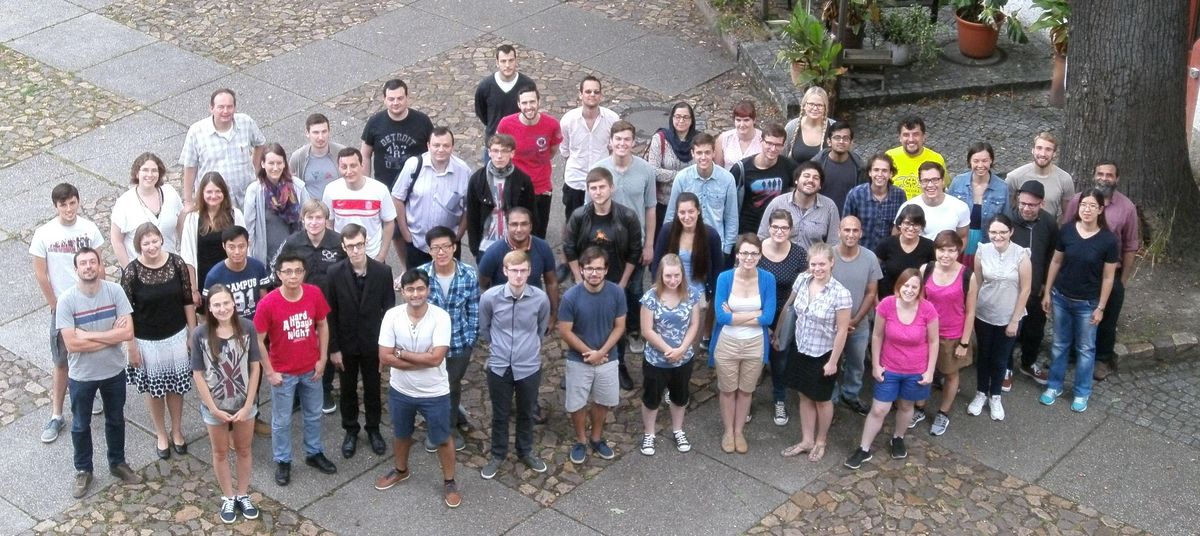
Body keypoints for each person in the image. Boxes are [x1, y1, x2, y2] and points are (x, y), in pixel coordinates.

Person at [55, 248, 141, 498]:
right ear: (76, 269)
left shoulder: (115, 292)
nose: (89, 267)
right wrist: (110, 338)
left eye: (93, 262)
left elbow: (126, 333)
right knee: (81, 425)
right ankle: (83, 470)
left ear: (100, 265)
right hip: (82, 375)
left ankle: (118, 463)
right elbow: (72, 344)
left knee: (116, 419)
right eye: (83, 263)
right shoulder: (67, 300)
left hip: (113, 371)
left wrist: (89, 334)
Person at [374, 269, 461, 508]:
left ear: (428, 290)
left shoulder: (441, 317)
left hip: (435, 392)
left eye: (420, 288)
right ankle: (401, 469)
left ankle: (450, 481)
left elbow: (436, 359)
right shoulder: (392, 316)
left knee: (443, 438)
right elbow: (384, 356)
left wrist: (401, 354)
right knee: (401, 434)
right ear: (402, 292)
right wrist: (419, 360)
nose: (415, 294)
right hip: (401, 391)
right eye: (410, 289)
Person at [254, 251, 336, 486]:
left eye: (298, 271)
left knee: (313, 414)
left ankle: (314, 453)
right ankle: (283, 460)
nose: (293, 276)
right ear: (278, 274)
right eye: (287, 271)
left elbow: (322, 324)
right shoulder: (268, 303)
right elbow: (258, 340)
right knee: (281, 420)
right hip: (284, 372)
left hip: (311, 369)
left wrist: (322, 359)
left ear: (304, 273)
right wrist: (269, 371)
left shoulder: (314, 294)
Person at [31, 183, 105, 444]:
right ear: (56, 206)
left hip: (90, 302)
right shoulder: (44, 234)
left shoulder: (89, 229)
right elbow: (41, 274)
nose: (69, 208)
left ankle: (88, 393)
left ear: (78, 201)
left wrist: (100, 297)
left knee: (92, 351)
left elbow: (99, 265)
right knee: (62, 360)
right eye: (63, 204)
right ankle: (57, 413)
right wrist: (54, 304)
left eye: (72, 202)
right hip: (64, 305)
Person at [844, 269, 939, 470]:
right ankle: (864, 448)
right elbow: (877, 336)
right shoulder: (886, 305)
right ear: (899, 286)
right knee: (879, 409)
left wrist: (930, 371)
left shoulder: (927, 309)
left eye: (914, 286)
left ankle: (898, 437)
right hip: (890, 367)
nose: (909, 290)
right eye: (906, 285)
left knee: (906, 406)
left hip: (915, 369)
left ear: (920, 289)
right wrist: (876, 364)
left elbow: (933, 340)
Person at [121, 223, 197, 460]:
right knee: (155, 391)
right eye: (146, 243)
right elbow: (126, 312)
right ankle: (161, 433)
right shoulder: (132, 272)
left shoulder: (176, 264)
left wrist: (192, 332)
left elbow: (187, 300)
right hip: (147, 341)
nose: (151, 246)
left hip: (175, 335)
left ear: (161, 240)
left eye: (155, 241)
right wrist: (131, 345)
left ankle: (176, 430)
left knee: (176, 386)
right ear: (138, 246)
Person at [1039, 189, 1119, 413]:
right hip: (1061, 298)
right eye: (1084, 204)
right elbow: (1055, 262)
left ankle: (1082, 392)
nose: (1087, 209)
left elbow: (1108, 277)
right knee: (1059, 345)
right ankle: (1054, 386)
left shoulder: (1108, 240)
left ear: (1101, 210)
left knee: (1085, 349)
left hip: (1088, 303)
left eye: (1093, 205)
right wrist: (1048, 292)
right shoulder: (1067, 231)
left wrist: (1101, 307)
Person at [562, 168, 642, 390]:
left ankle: (619, 364)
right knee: (579, 324)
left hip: (615, 280)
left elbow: (635, 251)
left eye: (601, 187)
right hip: (584, 280)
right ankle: (576, 363)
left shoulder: (627, 217)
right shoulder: (579, 216)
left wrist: (623, 282)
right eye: (593, 188)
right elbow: (569, 248)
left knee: (617, 325)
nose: (597, 192)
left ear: (611, 188)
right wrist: (578, 278)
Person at [321, 224, 394, 459]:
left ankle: (373, 429)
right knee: (348, 390)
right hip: (346, 343)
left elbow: (389, 313)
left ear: (366, 243)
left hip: (373, 344)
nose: (355, 250)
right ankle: (350, 430)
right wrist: (334, 348)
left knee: (373, 389)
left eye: (359, 245)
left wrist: (386, 349)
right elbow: (329, 314)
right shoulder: (334, 273)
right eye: (350, 246)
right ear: (343, 247)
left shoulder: (383, 272)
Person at [1061, 162, 1139, 381]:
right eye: (1100, 174)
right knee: (1073, 312)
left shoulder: (1127, 207)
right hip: (1079, 270)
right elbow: (1066, 232)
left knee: (1106, 318)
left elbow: (1131, 246)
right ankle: (1069, 354)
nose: (1104, 178)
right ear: (1093, 175)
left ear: (1117, 179)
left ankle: (1102, 358)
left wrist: (1121, 281)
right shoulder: (1078, 200)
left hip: (1110, 273)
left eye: (1109, 175)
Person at [190, 284, 261, 523]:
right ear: (209, 308)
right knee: (220, 452)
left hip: (244, 404)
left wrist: (249, 403)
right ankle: (228, 497)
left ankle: (243, 493)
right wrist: (212, 408)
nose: (222, 308)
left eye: (226, 303)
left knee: (243, 449)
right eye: (216, 304)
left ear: (234, 304)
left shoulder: (247, 328)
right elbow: (198, 373)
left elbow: (255, 366)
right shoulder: (200, 334)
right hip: (215, 406)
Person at [477, 250, 551, 477]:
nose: (518, 276)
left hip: (528, 365)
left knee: (526, 412)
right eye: (514, 270)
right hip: (499, 365)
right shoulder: (490, 297)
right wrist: (499, 348)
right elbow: (485, 328)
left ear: (529, 272)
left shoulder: (540, 298)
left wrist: (527, 349)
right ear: (505, 271)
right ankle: (498, 454)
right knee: (500, 413)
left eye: (523, 271)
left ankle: (525, 450)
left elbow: (541, 328)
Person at [779, 242, 851, 463]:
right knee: (803, 394)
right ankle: (806, 439)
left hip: (824, 354)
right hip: (801, 348)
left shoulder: (841, 293)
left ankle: (821, 440)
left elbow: (841, 331)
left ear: (831, 263)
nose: (818, 268)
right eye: (813, 264)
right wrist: (779, 333)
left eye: (822, 264)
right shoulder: (802, 280)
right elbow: (790, 307)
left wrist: (833, 362)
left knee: (822, 399)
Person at [557, 247, 626, 464]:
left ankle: (596, 438)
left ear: (606, 270)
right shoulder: (570, 297)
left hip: (608, 358)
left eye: (598, 268)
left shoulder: (617, 293)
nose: (594, 273)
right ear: (581, 270)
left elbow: (620, 326)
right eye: (589, 268)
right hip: (579, 359)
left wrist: (602, 353)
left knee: (602, 401)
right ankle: (580, 440)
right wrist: (590, 354)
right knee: (577, 404)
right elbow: (565, 331)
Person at [594, 120, 657, 353]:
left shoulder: (646, 170)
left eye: (627, 139)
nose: (622, 143)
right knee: (605, 287)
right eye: (617, 139)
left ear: (634, 142)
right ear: (610, 142)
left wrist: (649, 243)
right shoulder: (599, 169)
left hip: (635, 243)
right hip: (603, 244)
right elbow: (587, 209)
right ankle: (607, 328)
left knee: (634, 290)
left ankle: (633, 330)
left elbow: (650, 208)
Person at [709, 234, 776, 454]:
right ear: (737, 255)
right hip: (727, 342)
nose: (749, 257)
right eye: (744, 253)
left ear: (760, 255)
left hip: (755, 344)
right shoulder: (725, 278)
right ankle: (728, 431)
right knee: (728, 390)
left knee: (746, 390)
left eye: (754, 253)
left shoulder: (767, 279)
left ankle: (739, 431)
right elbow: (721, 317)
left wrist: (736, 313)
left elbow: (768, 318)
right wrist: (754, 314)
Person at [415, 227, 479, 451]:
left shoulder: (468, 274)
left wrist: (470, 340)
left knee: (451, 387)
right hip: (428, 346)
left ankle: (449, 428)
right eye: (435, 248)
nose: (441, 252)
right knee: (431, 387)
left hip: (458, 343)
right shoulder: (421, 275)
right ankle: (435, 426)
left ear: (454, 247)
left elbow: (473, 310)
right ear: (429, 250)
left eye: (445, 247)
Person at [359, 79, 434, 259]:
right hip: (387, 188)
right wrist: (365, 184)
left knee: (421, 227)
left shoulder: (422, 121)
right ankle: (405, 268)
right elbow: (365, 154)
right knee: (397, 233)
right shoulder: (375, 123)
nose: (396, 103)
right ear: (384, 100)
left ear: (407, 98)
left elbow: (432, 151)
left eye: (400, 98)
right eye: (391, 99)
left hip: (417, 187)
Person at [637, 254, 702, 456]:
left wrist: (682, 349)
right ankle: (649, 433)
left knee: (680, 396)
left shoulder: (691, 294)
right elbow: (647, 330)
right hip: (656, 360)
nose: (673, 280)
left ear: (682, 274)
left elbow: (694, 324)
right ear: (660, 276)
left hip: (683, 358)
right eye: (668, 276)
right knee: (652, 398)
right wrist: (668, 349)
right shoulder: (651, 297)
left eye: (676, 275)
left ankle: (678, 429)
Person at [970, 214, 1030, 421]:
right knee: (984, 355)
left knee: (1000, 358)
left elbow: (1026, 289)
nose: (998, 236)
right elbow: (976, 283)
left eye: (1003, 232)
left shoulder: (1021, 254)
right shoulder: (981, 251)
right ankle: (980, 393)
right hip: (984, 313)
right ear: (988, 233)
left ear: (1011, 232)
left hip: (1009, 315)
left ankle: (995, 396)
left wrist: (1015, 320)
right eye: (994, 232)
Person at [919, 231, 977, 436]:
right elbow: (920, 302)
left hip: (952, 335)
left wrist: (964, 342)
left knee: (950, 374)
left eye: (951, 250)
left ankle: (943, 412)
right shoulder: (926, 269)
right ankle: (919, 407)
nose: (946, 255)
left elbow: (970, 311)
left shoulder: (967, 275)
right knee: (924, 371)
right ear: (935, 250)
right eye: (942, 250)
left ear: (958, 251)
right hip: (927, 333)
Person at [392, 127, 471, 269]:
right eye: (436, 145)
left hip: (448, 245)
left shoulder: (463, 170)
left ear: (452, 146)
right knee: (418, 287)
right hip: (418, 243)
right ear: (428, 146)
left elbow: (469, 206)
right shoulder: (414, 165)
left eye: (446, 145)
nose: (441, 149)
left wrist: (459, 234)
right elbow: (397, 197)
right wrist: (405, 233)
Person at [760, 210, 808, 426]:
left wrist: (778, 328)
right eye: (775, 227)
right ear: (769, 227)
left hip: (785, 314)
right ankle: (747, 400)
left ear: (791, 230)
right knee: (754, 360)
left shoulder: (799, 254)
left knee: (780, 360)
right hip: (757, 313)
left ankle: (779, 399)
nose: (779, 231)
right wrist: (763, 323)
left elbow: (801, 289)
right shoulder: (756, 250)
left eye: (784, 228)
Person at [180, 88, 266, 209]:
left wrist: (256, 168)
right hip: (213, 202)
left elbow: (260, 143)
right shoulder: (196, 132)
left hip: (245, 199)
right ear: (211, 108)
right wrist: (188, 201)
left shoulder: (246, 122)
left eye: (229, 107)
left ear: (235, 108)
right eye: (221, 107)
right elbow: (189, 167)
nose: (225, 111)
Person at [830, 216, 882, 415]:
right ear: (839, 232)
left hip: (858, 324)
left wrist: (856, 320)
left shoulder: (869, 258)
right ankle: (831, 399)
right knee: (832, 362)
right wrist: (839, 323)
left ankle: (850, 395)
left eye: (855, 230)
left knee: (857, 363)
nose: (850, 234)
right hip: (831, 326)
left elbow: (871, 292)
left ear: (861, 233)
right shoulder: (829, 255)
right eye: (846, 230)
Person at [496, 85, 562, 239]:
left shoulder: (552, 125)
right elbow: (498, 148)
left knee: (538, 232)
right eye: (524, 103)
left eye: (532, 102)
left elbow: (552, 151)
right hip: (515, 187)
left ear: (539, 102)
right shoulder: (506, 124)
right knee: (516, 232)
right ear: (519, 105)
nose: (529, 107)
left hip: (542, 187)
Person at [1008, 181, 1056, 385]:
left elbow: (1052, 256)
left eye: (1032, 205)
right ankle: (1005, 367)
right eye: (1023, 204)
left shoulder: (1049, 223)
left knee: (1035, 330)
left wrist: (1046, 284)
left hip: (1036, 289)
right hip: (1011, 289)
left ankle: (1028, 363)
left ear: (1041, 204)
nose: (1026, 208)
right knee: (1009, 330)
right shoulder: (1008, 220)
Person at [663, 133, 739, 256]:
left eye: (707, 152)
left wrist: (727, 249)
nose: (703, 157)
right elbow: (671, 213)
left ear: (714, 153)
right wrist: (669, 244)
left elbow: (731, 217)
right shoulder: (682, 178)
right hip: (686, 245)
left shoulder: (727, 179)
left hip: (715, 245)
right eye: (699, 153)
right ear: (692, 154)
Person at [465, 134, 537, 258]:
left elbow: (532, 214)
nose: (499, 156)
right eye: (495, 151)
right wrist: (474, 247)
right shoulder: (477, 179)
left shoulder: (522, 180)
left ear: (512, 153)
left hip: (515, 244)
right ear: (489, 152)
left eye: (504, 151)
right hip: (486, 244)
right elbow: (472, 215)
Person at [560, 75, 620, 220]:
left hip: (601, 183)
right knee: (573, 224)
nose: (592, 95)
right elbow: (565, 150)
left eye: (596, 92)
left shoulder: (612, 119)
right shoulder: (568, 121)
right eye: (588, 91)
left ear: (601, 95)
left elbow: (614, 149)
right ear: (580, 94)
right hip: (576, 181)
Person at [181, 172, 246, 307]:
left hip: (232, 278)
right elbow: (188, 258)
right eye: (209, 192)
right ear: (202, 193)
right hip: (204, 280)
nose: (214, 196)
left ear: (224, 193)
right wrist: (193, 290)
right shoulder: (192, 218)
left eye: (218, 191)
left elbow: (245, 249)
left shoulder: (235, 215)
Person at [322, 147, 397, 261]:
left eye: (353, 165)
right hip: (342, 257)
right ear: (338, 168)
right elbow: (328, 223)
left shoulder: (380, 190)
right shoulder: (331, 190)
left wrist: (381, 256)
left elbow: (389, 223)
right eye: (344, 167)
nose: (348, 171)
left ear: (362, 165)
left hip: (372, 256)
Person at [110, 153, 182, 268]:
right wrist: (128, 270)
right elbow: (116, 240)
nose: (150, 174)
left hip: (171, 266)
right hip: (141, 271)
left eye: (154, 170)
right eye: (145, 170)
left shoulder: (170, 194)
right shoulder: (124, 203)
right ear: (137, 173)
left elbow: (182, 225)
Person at [651, 192, 723, 302]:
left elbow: (718, 268)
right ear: (677, 213)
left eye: (691, 212)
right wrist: (657, 289)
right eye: (682, 212)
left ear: (698, 211)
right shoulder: (667, 231)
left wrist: (712, 295)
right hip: (670, 291)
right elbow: (656, 262)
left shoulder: (711, 235)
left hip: (699, 294)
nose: (687, 217)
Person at [244, 142, 308, 265]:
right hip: (266, 258)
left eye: (279, 163)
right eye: (271, 163)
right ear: (263, 164)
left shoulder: (298, 187)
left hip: (296, 255)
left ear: (284, 163)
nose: (275, 167)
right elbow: (249, 228)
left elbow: (308, 218)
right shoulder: (254, 191)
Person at [478, 207, 559, 301]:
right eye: (514, 224)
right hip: (502, 309)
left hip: (534, 307)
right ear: (507, 226)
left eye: (524, 224)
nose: (519, 229)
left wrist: (553, 313)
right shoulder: (493, 252)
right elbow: (483, 284)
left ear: (531, 226)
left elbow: (551, 282)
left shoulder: (543, 247)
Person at [948, 142, 1010, 264]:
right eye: (976, 161)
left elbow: (1005, 220)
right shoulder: (957, 182)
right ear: (969, 162)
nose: (980, 165)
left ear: (991, 160)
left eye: (985, 161)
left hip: (988, 242)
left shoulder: (1002, 187)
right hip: (959, 240)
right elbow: (948, 211)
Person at [730, 122, 797, 234]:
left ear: (783, 146)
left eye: (778, 145)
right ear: (761, 141)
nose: (773, 148)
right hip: (748, 230)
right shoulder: (741, 168)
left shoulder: (789, 166)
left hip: (776, 230)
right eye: (769, 143)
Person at [756, 162, 839, 250]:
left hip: (813, 262)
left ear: (820, 186)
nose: (810, 180)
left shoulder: (829, 207)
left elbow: (833, 244)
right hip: (780, 260)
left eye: (816, 178)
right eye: (806, 176)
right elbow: (762, 237)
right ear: (796, 180)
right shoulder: (778, 203)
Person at [270, 200, 346, 293]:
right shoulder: (292, 242)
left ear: (326, 220)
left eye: (318, 218)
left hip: (332, 299)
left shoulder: (339, 242)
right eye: (310, 218)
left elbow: (350, 270)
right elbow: (275, 266)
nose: (314, 222)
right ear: (303, 220)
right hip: (301, 298)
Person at [474, 44, 535, 156]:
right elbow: (481, 112)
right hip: (494, 145)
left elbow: (531, 111)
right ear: (497, 62)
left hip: (520, 145)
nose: (507, 65)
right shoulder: (485, 86)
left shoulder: (527, 85)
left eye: (511, 60)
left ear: (516, 61)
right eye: (503, 61)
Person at [645, 102, 696, 235]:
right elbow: (653, 171)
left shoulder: (698, 140)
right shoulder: (661, 139)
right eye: (677, 116)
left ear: (692, 120)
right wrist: (681, 176)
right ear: (671, 118)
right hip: (663, 203)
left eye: (686, 117)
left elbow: (701, 171)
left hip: (689, 206)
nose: (681, 121)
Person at [843, 153, 907, 252]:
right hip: (861, 252)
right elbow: (845, 226)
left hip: (889, 254)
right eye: (876, 170)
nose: (880, 174)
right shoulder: (855, 194)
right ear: (869, 172)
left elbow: (902, 226)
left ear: (891, 174)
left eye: (884, 171)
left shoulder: (899, 195)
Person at [204, 227, 270, 322]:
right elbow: (209, 309)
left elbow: (264, 300)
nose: (237, 252)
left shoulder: (258, 267)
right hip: (229, 326)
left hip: (255, 323)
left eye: (241, 246)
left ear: (248, 244)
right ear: (224, 246)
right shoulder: (214, 276)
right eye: (231, 247)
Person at [1004, 132, 1074, 220]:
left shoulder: (1065, 179)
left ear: (1054, 153)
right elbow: (1006, 210)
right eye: (1039, 148)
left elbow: (1068, 216)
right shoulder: (1014, 177)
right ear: (1033, 150)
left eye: (1048, 149)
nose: (1043, 154)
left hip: (1049, 230)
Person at [875, 204, 935, 299]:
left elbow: (934, 276)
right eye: (907, 223)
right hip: (888, 299)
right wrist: (876, 300)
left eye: (916, 224)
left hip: (916, 301)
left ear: (921, 226)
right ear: (900, 224)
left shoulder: (929, 246)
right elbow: (873, 272)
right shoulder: (886, 244)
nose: (911, 228)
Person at [898, 162, 969, 241]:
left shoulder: (960, 207)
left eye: (935, 180)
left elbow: (962, 237)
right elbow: (898, 236)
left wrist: (953, 253)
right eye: (925, 180)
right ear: (920, 183)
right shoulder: (907, 207)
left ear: (943, 181)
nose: (930, 185)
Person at [811, 121, 867, 213]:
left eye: (846, 138)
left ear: (851, 142)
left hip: (848, 220)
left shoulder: (859, 167)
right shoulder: (816, 166)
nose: (841, 141)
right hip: (820, 217)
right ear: (829, 141)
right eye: (837, 138)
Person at [290, 113, 347, 202]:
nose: (320, 137)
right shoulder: (298, 157)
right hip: (311, 212)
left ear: (329, 132)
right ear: (307, 133)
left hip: (337, 208)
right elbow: (292, 187)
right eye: (316, 132)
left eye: (324, 132)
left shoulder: (342, 153)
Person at [885, 116, 945, 200]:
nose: (911, 139)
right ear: (900, 138)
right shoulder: (889, 157)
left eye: (915, 134)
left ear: (924, 136)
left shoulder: (936, 159)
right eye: (906, 135)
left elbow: (943, 189)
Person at [783, 87, 835, 163]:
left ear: (825, 108)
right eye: (811, 104)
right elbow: (783, 157)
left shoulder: (834, 127)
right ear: (804, 105)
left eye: (819, 105)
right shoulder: (791, 127)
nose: (815, 108)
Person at [714, 100, 762, 169]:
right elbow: (718, 169)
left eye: (746, 120)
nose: (742, 125)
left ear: (754, 120)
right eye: (738, 120)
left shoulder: (763, 139)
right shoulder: (723, 139)